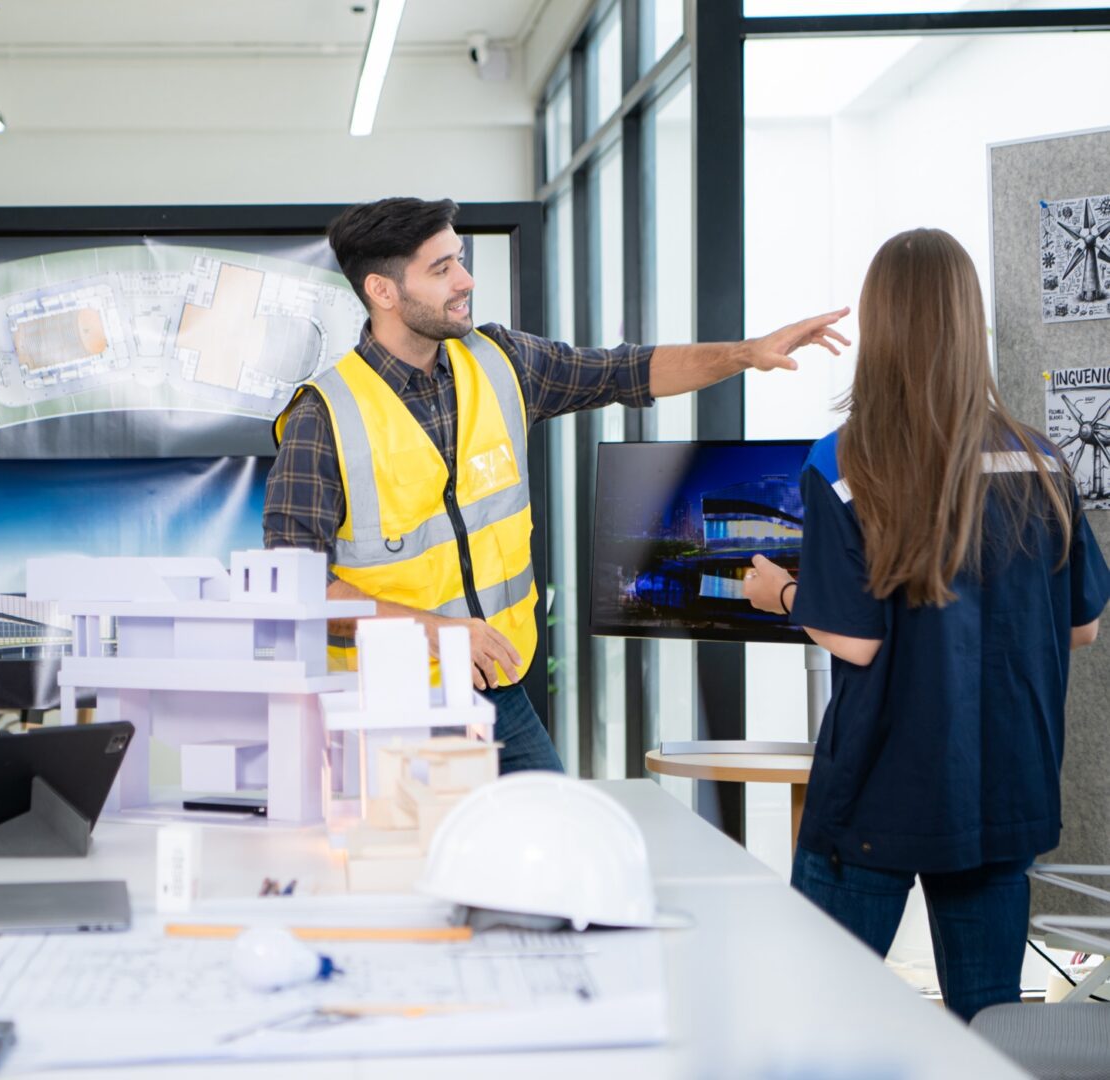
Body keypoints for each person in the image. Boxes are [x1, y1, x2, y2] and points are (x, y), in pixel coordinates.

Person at [265, 196, 849, 774]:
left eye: (461, 259)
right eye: (441, 269)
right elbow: (296, 584)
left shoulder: (502, 361)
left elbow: (627, 371)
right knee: (413, 865)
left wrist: (747, 353)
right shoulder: (324, 418)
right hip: (382, 707)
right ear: (383, 291)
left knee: (549, 842)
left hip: (497, 685)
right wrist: (437, 633)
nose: (466, 279)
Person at [743, 227, 1110, 1022]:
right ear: (963, 324)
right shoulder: (1042, 462)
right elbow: (1080, 627)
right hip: (1006, 788)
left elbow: (857, 637)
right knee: (987, 1023)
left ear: (880, 328)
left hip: (881, 792)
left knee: (817, 1009)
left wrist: (775, 593)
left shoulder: (844, 462)